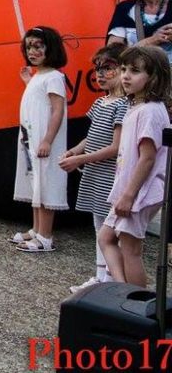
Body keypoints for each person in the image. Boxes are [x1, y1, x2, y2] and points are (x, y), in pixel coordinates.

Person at [98, 45, 172, 286]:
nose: (126, 76)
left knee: (130, 249)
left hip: (140, 192)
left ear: (154, 77)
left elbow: (148, 157)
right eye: (124, 69)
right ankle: (122, 289)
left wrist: (129, 195)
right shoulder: (137, 107)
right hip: (129, 190)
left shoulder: (150, 111)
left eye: (135, 71)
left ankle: (136, 298)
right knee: (106, 237)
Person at [59, 43, 127, 293]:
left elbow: (115, 147)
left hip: (110, 174)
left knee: (110, 229)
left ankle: (109, 277)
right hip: (96, 172)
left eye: (108, 68)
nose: (100, 74)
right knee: (99, 224)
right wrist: (76, 150)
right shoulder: (101, 103)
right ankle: (100, 275)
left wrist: (80, 160)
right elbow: (92, 135)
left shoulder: (123, 105)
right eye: (97, 69)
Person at [11, 26, 68, 253]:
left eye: (38, 46)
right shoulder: (39, 76)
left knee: (45, 184)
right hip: (30, 139)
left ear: (50, 48)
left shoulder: (54, 77)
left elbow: (57, 110)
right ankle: (36, 229)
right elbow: (37, 99)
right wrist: (27, 80)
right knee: (35, 182)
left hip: (44, 141)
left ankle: (45, 235)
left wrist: (47, 140)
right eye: (29, 47)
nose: (32, 51)